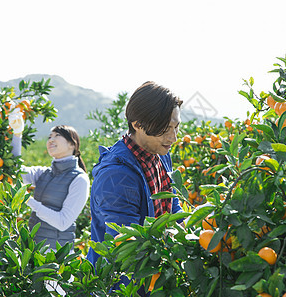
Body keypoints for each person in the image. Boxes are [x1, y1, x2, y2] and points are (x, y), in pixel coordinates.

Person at [87, 81, 184, 269]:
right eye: (165, 129)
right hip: (125, 284)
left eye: (176, 127)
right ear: (138, 125)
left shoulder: (161, 155)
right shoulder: (116, 176)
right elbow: (126, 245)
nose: (173, 138)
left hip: (158, 273)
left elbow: (173, 207)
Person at [9, 111, 90, 251]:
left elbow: (63, 222)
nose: (51, 140)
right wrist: (17, 134)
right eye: (49, 137)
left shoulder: (79, 179)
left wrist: (28, 200)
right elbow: (14, 169)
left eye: (57, 136)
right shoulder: (44, 173)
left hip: (56, 254)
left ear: (73, 144)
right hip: (33, 249)